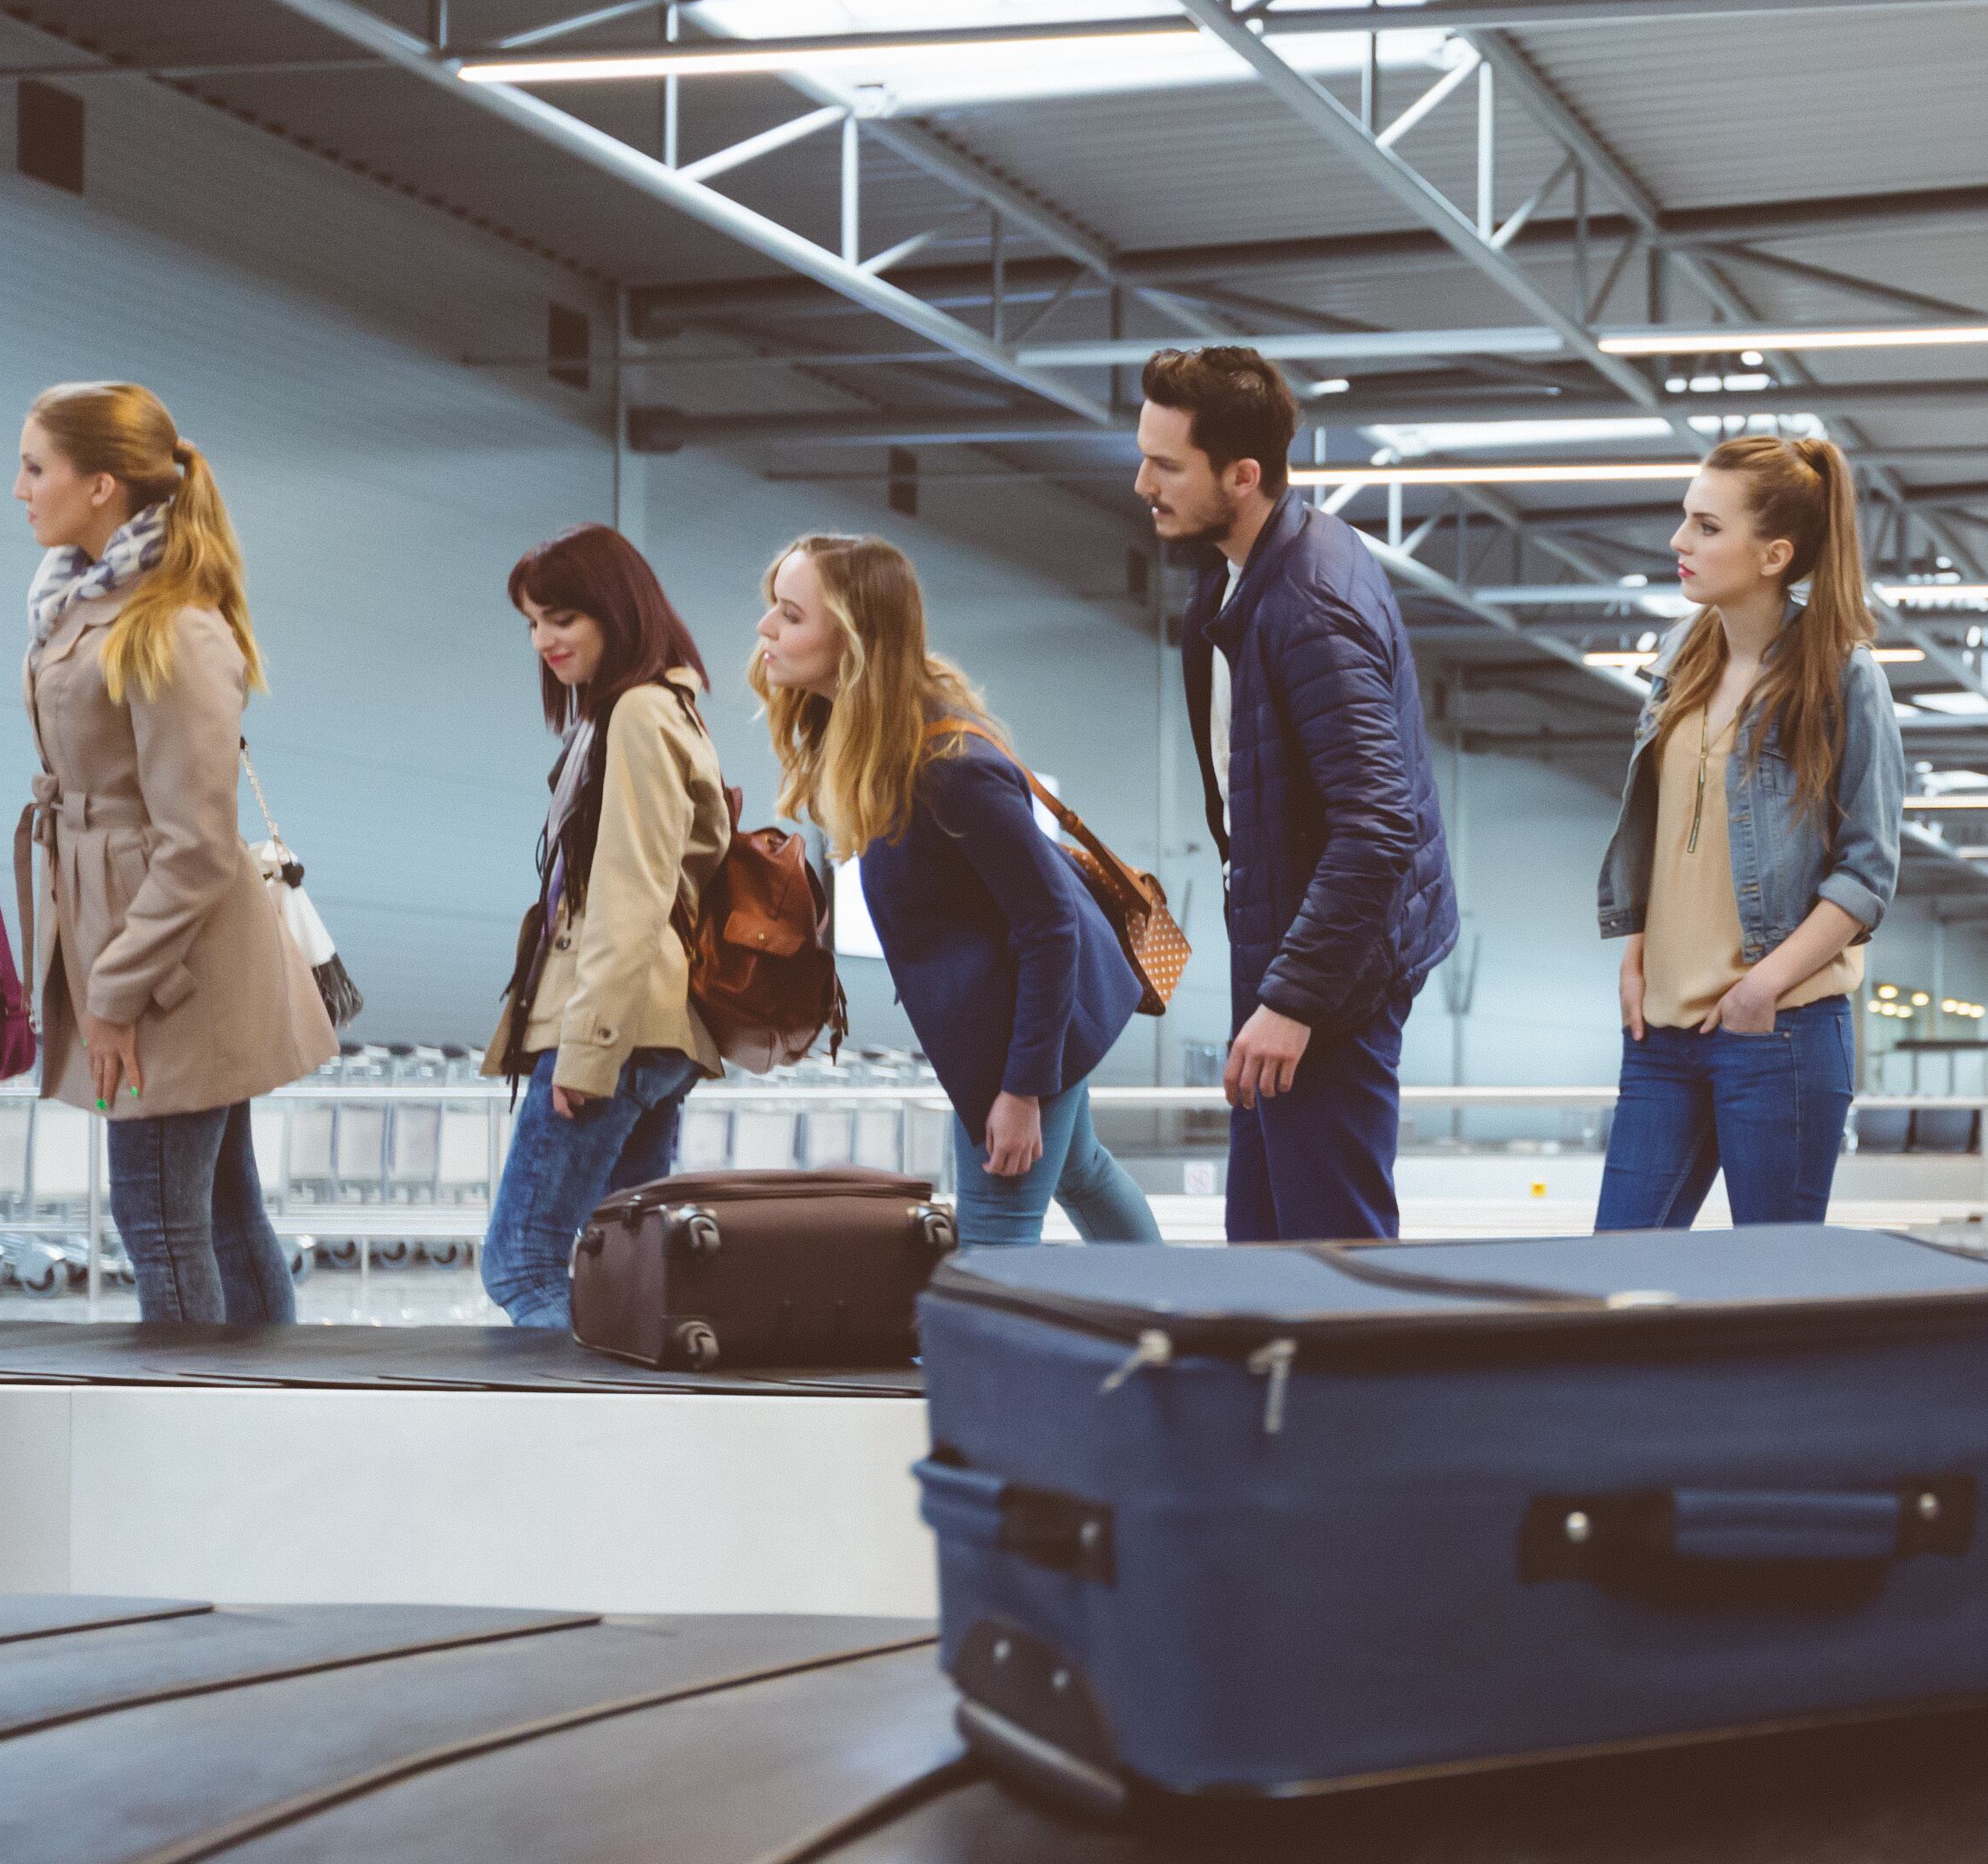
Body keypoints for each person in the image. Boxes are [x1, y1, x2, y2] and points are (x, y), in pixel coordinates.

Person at [16, 383, 335, 1325]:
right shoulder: (85, 606)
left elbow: (195, 845)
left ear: (103, 484)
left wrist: (113, 993)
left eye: (37, 466)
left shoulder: (171, 627)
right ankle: (259, 1424)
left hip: (164, 964)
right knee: (221, 1213)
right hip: (132, 937)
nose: (20, 488)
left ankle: (194, 1435)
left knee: (157, 1214)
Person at [753, 534, 1160, 1250]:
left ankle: (1030, 1358)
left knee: (994, 1242)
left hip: (1028, 1031)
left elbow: (1050, 926)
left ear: (855, 637)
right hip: (1018, 1022)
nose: (767, 629)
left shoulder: (948, 770)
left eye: (790, 614)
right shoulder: (874, 745)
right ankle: (1168, 1325)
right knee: (1084, 1173)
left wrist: (1020, 1090)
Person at [1141, 347, 1457, 1243]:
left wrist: (1294, 1002)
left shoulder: (1311, 605)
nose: (1141, 482)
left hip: (1336, 976)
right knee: (1266, 1246)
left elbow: (1377, 826)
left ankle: (1365, 1389)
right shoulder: (1235, 575)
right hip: (1290, 947)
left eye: (1167, 465)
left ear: (1241, 476)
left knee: (1330, 1255)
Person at [1591, 436, 1902, 1228]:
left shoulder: (1842, 673)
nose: (1678, 542)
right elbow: (1655, 835)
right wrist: (1635, 956)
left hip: (1778, 1032)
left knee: (1774, 1287)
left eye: (1704, 526)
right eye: (1684, 521)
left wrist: (1760, 988)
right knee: (1616, 1271)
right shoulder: (1678, 656)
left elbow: (1866, 873)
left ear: (1774, 554)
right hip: (1660, 1033)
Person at [480, 525, 732, 1329]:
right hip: (650, 1032)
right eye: (531, 622)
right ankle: (634, 1430)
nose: (543, 640)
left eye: (561, 617)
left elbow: (630, 892)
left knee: (522, 1263)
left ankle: (568, 1433)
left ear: (613, 612)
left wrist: (588, 1048)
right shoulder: (658, 710)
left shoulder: (637, 713)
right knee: (626, 1273)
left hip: (616, 1032)